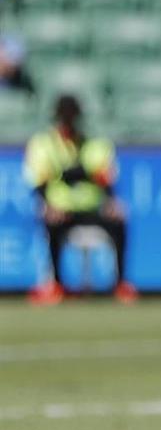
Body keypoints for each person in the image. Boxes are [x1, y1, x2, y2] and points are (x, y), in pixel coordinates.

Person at [24, 94, 137, 306]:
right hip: (61, 211)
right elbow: (39, 182)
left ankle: (120, 283)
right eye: (64, 118)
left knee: (119, 221)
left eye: (72, 117)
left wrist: (112, 203)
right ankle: (55, 284)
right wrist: (49, 206)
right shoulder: (43, 144)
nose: (68, 123)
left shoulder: (94, 145)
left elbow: (105, 179)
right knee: (51, 225)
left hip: (92, 209)